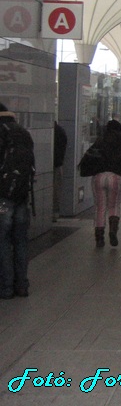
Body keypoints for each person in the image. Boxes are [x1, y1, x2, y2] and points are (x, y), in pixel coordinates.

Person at [0, 103, 35, 299]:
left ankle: (6, 287)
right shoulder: (23, 133)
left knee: (3, 241)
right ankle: (22, 285)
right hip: (22, 195)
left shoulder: (1, 132)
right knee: (21, 241)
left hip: (3, 196)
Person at [88, 120, 121, 248]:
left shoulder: (99, 143)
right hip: (115, 177)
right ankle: (113, 231)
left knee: (100, 208)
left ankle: (99, 238)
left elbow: (90, 159)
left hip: (99, 177)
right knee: (114, 206)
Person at [53, 120, 68, 222]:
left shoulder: (56, 132)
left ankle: (54, 213)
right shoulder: (61, 131)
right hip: (58, 164)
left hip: (54, 164)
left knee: (55, 190)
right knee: (56, 190)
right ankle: (54, 213)